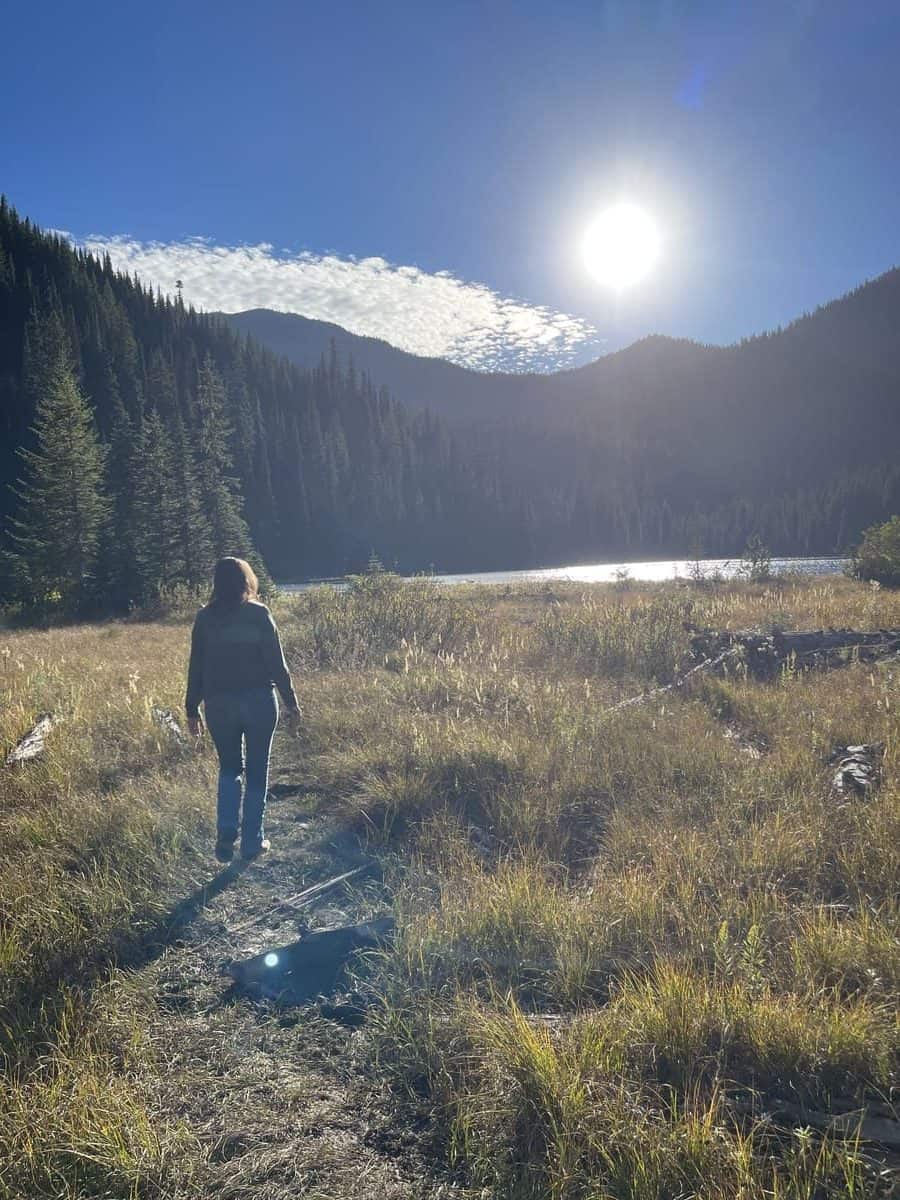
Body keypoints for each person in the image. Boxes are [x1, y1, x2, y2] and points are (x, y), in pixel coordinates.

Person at [185, 556, 301, 863]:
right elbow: (279, 665)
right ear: (247, 580)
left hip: (219, 704)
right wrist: (292, 703)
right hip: (260, 701)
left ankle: (225, 830)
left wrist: (191, 708)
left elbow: (195, 666)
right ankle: (252, 841)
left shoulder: (205, 618)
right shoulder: (259, 614)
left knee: (230, 768)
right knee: (257, 771)